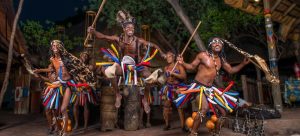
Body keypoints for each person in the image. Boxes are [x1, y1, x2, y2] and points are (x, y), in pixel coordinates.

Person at [87, 10, 166, 114]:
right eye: (128, 27)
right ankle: (117, 95)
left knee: (150, 78)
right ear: (124, 29)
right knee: (109, 71)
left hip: (137, 67)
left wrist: (162, 53)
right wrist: (93, 31)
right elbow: (103, 36)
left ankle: (145, 99)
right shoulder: (118, 39)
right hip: (123, 67)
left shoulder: (139, 41)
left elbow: (153, 45)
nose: (131, 29)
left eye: (132, 28)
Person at [177, 37, 250, 136]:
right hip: (198, 87)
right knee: (204, 108)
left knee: (224, 113)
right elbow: (191, 67)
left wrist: (243, 64)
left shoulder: (221, 59)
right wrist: (183, 63)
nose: (217, 44)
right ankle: (192, 133)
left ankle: (216, 133)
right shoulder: (203, 55)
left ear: (222, 46)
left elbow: (231, 70)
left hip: (210, 89)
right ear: (210, 45)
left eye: (219, 43)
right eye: (214, 42)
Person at [34, 40, 95, 136]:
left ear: (60, 47)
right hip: (58, 84)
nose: (54, 47)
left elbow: (80, 66)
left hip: (68, 84)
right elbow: (52, 69)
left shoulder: (67, 58)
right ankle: (58, 129)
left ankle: (65, 132)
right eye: (53, 45)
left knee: (63, 109)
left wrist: (84, 78)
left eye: (56, 45)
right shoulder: (52, 59)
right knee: (54, 109)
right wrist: (40, 70)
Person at [160, 51, 188, 131]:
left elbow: (184, 76)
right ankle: (167, 124)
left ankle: (183, 126)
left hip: (177, 88)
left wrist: (174, 74)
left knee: (180, 107)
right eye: (167, 57)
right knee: (166, 107)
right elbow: (165, 79)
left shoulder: (179, 66)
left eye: (169, 57)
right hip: (168, 88)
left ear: (173, 57)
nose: (168, 58)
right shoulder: (165, 68)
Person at [73, 51, 98, 131]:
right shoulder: (77, 66)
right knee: (75, 105)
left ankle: (85, 125)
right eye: (83, 56)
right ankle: (76, 123)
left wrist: (87, 84)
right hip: (78, 88)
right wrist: (77, 83)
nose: (84, 57)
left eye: (86, 56)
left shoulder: (89, 67)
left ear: (88, 58)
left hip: (86, 88)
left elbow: (92, 77)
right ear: (80, 57)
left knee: (86, 106)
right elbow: (74, 76)